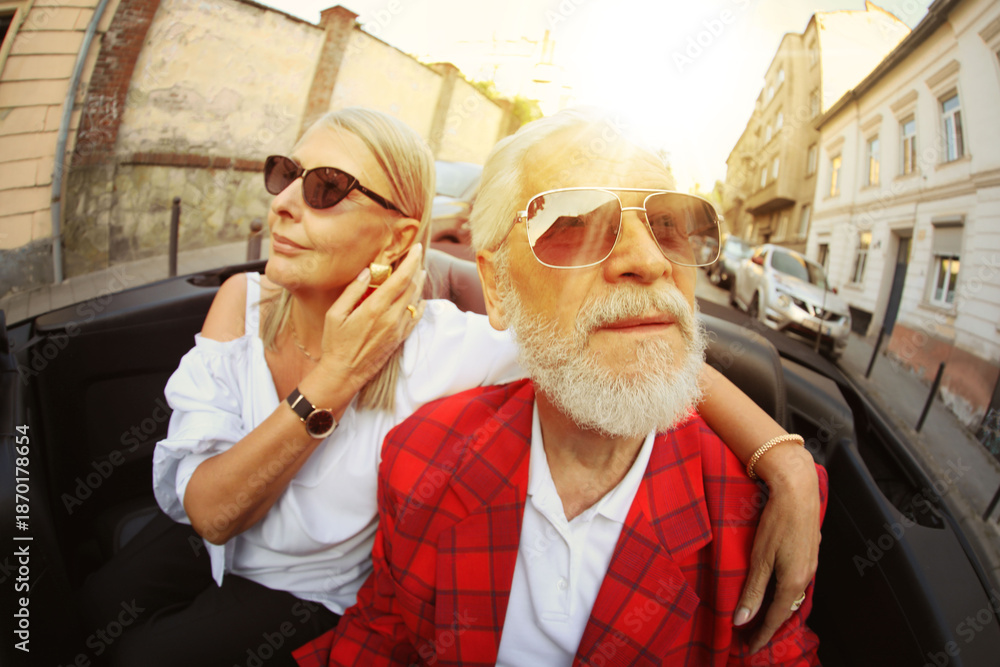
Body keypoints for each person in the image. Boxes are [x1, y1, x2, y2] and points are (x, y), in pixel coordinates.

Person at [78, 107, 819, 666]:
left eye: (326, 187)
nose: (283, 202)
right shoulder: (240, 301)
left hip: (302, 597)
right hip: (215, 539)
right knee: (85, 607)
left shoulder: (450, 351)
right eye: (284, 175)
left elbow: (620, 337)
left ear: (402, 237)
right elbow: (207, 511)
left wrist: (782, 456)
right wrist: (334, 378)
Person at [295, 108, 828, 666]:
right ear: (498, 287)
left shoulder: (756, 509)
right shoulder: (420, 458)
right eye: (572, 223)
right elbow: (383, 639)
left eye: (669, 224)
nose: (649, 260)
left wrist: (787, 462)